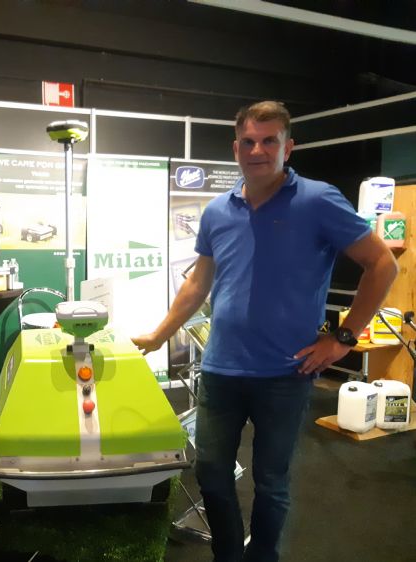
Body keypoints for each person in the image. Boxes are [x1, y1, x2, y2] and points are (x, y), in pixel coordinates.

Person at [133, 101, 397, 562]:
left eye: (269, 140)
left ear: (287, 147)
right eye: (249, 141)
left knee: (271, 482)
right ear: (236, 148)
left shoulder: (318, 201)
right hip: (221, 369)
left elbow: (382, 264)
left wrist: (344, 338)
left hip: (286, 373)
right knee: (212, 473)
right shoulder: (218, 211)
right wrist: (158, 336)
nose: (258, 150)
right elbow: (197, 284)